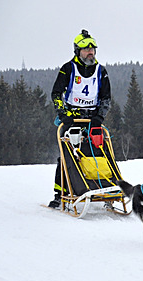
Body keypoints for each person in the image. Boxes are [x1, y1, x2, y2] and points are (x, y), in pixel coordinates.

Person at [48, 29, 112, 208]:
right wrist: (63, 115)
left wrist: (99, 117)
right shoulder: (68, 68)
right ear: (78, 51)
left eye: (93, 49)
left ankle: (103, 188)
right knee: (67, 155)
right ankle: (59, 194)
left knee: (98, 154)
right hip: (71, 118)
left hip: (92, 119)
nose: (90, 52)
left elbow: (106, 98)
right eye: (86, 49)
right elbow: (56, 94)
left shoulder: (101, 71)